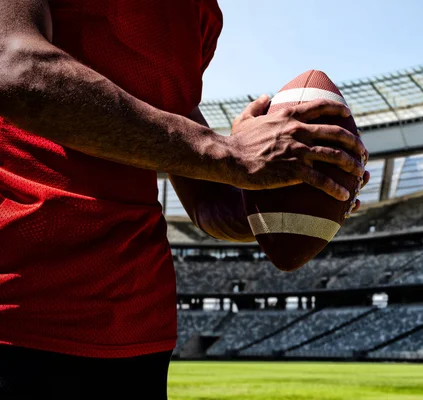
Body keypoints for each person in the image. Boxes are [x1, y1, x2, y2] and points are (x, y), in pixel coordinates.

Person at [0, 0, 369, 399]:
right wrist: (228, 153)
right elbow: (15, 67)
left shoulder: (200, 14)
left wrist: (299, 194)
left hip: (140, 326)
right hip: (22, 311)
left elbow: (209, 203)